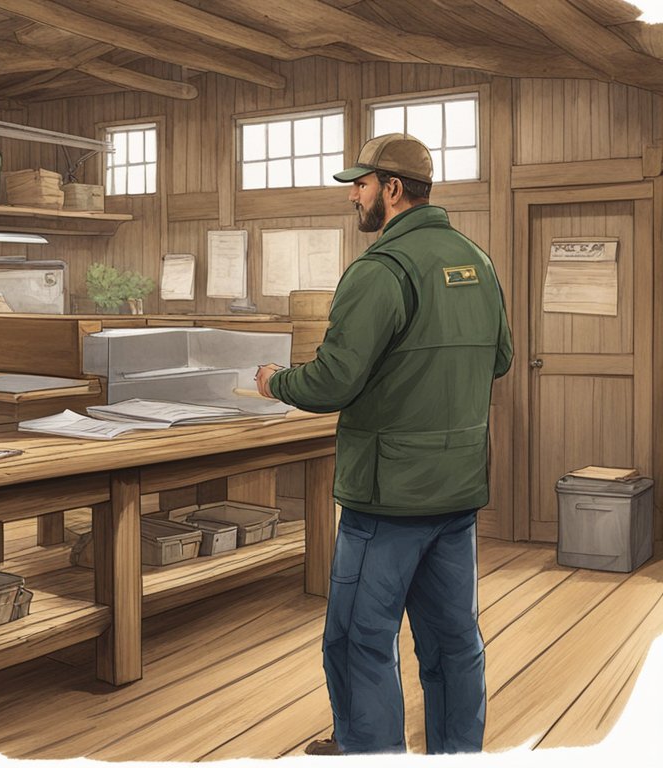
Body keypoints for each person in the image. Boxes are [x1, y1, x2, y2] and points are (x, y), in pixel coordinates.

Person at [254, 133, 513, 755]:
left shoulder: (379, 271)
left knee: (359, 638)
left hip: (387, 498)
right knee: (453, 640)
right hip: (456, 492)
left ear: (391, 189)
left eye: (361, 185)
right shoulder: (478, 262)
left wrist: (274, 383)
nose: (355, 198)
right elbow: (499, 360)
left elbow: (333, 380)